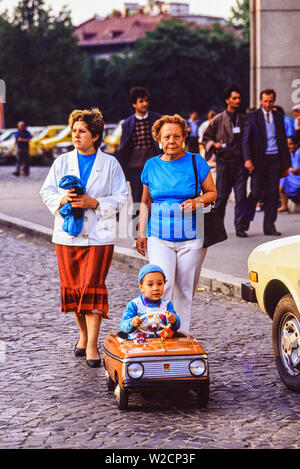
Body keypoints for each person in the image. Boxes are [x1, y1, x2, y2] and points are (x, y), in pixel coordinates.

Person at [40, 108, 128, 367]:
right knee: (73, 289)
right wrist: (62, 199)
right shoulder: (62, 161)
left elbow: (122, 197)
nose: (76, 135)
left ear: (96, 135)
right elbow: (46, 191)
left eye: (82, 131)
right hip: (67, 236)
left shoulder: (110, 164)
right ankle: (82, 333)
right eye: (74, 130)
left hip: (99, 236)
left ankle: (92, 345)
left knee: (92, 287)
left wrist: (95, 202)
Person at [136, 114, 217, 333]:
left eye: (176, 136)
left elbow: (212, 193)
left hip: (192, 237)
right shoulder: (151, 165)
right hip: (158, 236)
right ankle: (157, 331)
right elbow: (145, 201)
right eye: (166, 137)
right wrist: (141, 232)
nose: (171, 141)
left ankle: (181, 334)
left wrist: (197, 201)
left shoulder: (196, 161)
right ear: (158, 139)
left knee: (184, 288)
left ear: (183, 137)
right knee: (162, 285)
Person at [242, 88, 291, 236]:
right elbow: (246, 140)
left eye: (270, 101)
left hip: (274, 159)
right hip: (258, 160)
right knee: (255, 192)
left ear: (274, 101)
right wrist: (248, 159)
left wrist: (285, 164)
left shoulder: (278, 116)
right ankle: (243, 222)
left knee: (272, 194)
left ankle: (269, 226)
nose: (268, 104)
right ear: (260, 101)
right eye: (265, 101)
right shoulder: (252, 116)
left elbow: (282, 140)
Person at [202, 84, 249, 238]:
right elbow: (205, 138)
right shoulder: (217, 119)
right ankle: (218, 227)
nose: (237, 101)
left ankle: (241, 227)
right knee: (221, 197)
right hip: (224, 162)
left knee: (241, 197)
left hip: (240, 163)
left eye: (239, 98)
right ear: (228, 100)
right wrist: (213, 145)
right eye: (234, 98)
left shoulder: (243, 119)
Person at [118, 87, 161, 208]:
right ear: (134, 104)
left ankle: (155, 223)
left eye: (146, 100)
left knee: (156, 196)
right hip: (134, 166)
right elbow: (124, 146)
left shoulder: (157, 119)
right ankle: (138, 224)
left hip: (154, 164)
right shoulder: (127, 123)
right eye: (141, 101)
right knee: (137, 198)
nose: (145, 104)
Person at [120, 264, 181, 339]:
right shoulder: (134, 304)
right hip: (137, 344)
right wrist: (132, 323)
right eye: (150, 284)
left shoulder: (167, 305)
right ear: (141, 287)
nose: (156, 288)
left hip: (162, 342)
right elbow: (123, 325)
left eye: (160, 284)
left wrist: (173, 320)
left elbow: (176, 326)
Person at [278, 136, 300, 212]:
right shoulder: (291, 153)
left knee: (284, 176)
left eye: (290, 144)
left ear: (296, 145)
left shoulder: (298, 153)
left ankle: (284, 205)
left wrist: (288, 168)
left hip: (297, 177)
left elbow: (296, 170)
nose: (288, 146)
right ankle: (284, 205)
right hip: (295, 176)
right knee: (284, 177)